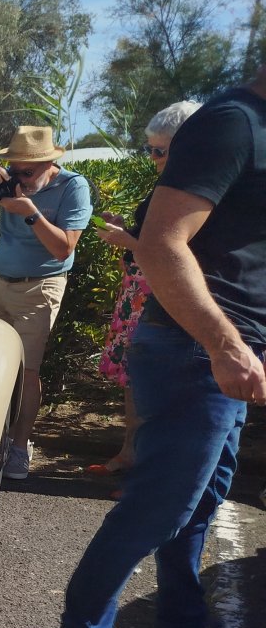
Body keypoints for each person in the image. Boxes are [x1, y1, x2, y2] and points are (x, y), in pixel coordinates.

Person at [43, 67, 266, 628]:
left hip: (225, 348)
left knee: (203, 496)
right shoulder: (233, 123)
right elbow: (162, 246)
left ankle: (182, 620)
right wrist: (226, 347)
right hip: (199, 350)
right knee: (159, 505)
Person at [0, 127, 93, 480]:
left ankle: (19, 446)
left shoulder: (73, 187)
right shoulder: (10, 181)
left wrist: (30, 212)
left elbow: (63, 248)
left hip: (40, 288)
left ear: (49, 164)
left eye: (27, 171)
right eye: (13, 169)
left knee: (27, 371)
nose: (19, 178)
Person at [91, 101, 202, 486]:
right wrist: (125, 232)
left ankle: (149, 476)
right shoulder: (168, 184)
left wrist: (128, 241)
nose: (152, 158)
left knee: (159, 385)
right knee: (136, 379)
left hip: (164, 296)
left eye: (159, 150)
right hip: (140, 292)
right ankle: (131, 454)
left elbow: (177, 252)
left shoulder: (196, 190)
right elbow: (152, 240)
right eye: (149, 149)